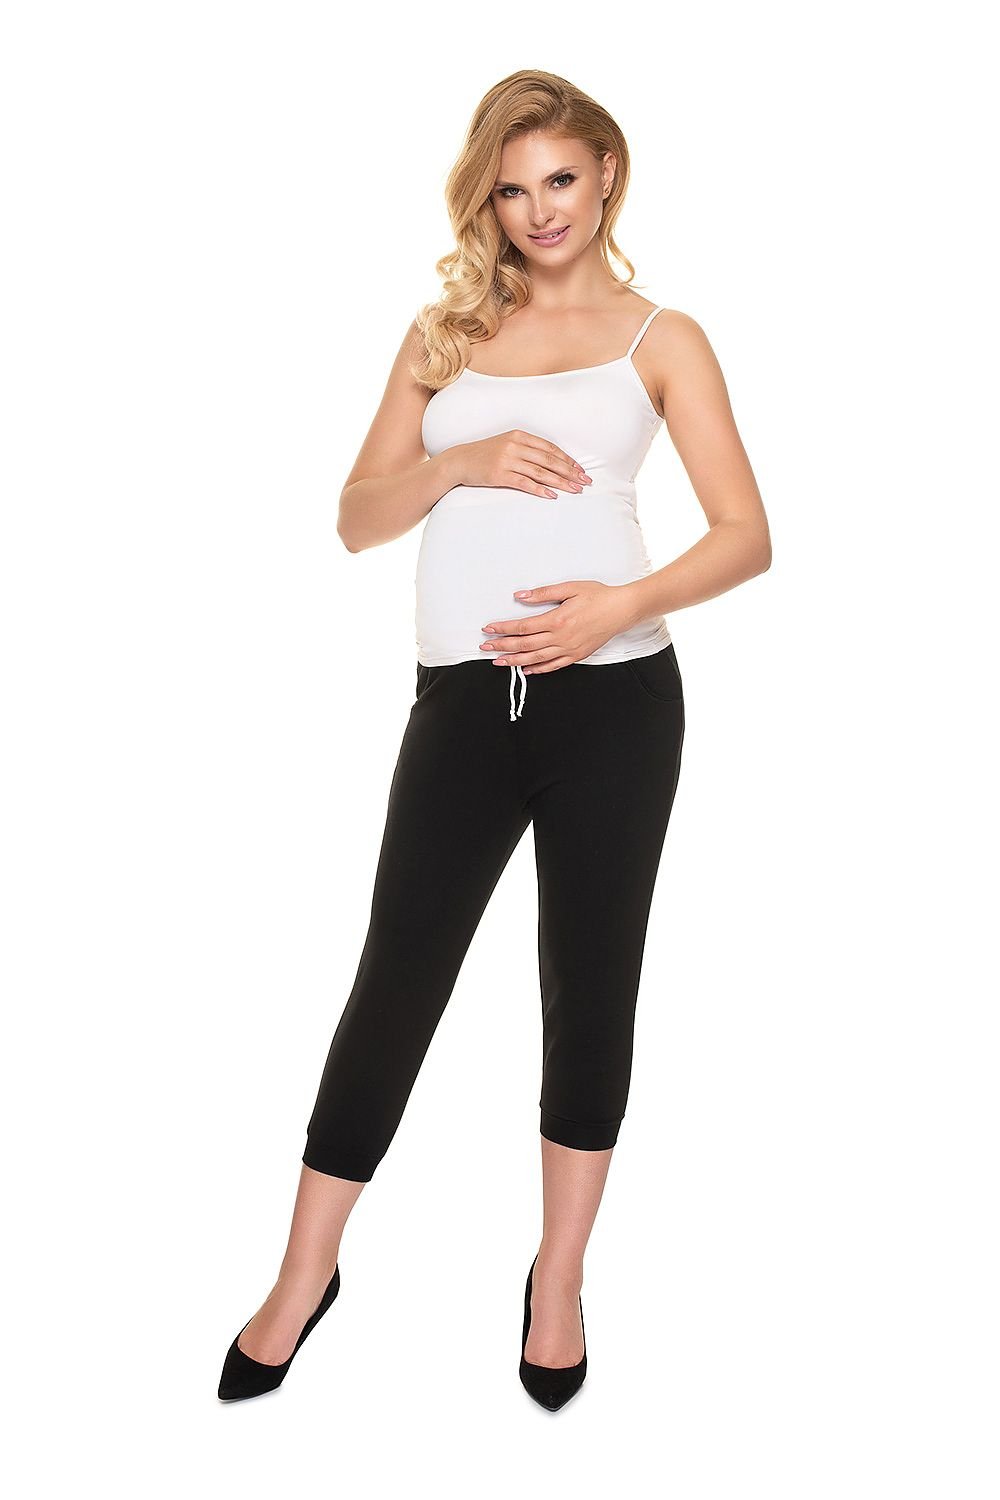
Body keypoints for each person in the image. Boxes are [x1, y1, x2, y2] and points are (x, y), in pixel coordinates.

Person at [218, 67, 771, 1411]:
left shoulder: (663, 338)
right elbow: (356, 518)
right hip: (463, 705)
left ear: (607, 175)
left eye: (561, 180)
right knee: (396, 979)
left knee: (591, 987)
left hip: (617, 702)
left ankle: (559, 1279)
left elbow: (746, 535)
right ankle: (303, 1272)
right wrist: (458, 461)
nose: (540, 211)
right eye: (513, 190)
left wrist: (618, 607)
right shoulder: (447, 331)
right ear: (489, 200)